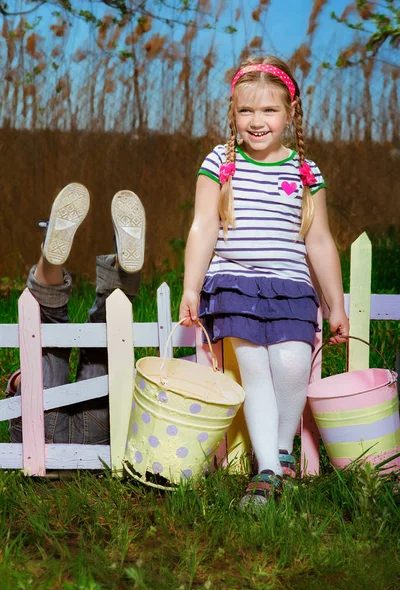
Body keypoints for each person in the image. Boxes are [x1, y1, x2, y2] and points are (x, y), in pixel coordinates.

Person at [179, 56, 349, 507]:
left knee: (293, 367)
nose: (257, 122)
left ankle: (283, 453)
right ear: (232, 113)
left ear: (290, 113)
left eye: (269, 111)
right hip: (235, 283)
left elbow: (320, 241)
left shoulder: (305, 172)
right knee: (254, 372)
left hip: (291, 286)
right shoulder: (220, 162)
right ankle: (268, 470)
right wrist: (192, 288)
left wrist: (336, 305)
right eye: (245, 111)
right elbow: (202, 227)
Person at [6, 182, 146, 445]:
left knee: (49, 343)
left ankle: (51, 256)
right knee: (103, 343)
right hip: (96, 432)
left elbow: (17, 384)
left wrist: (17, 381)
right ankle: (120, 262)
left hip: (40, 432)